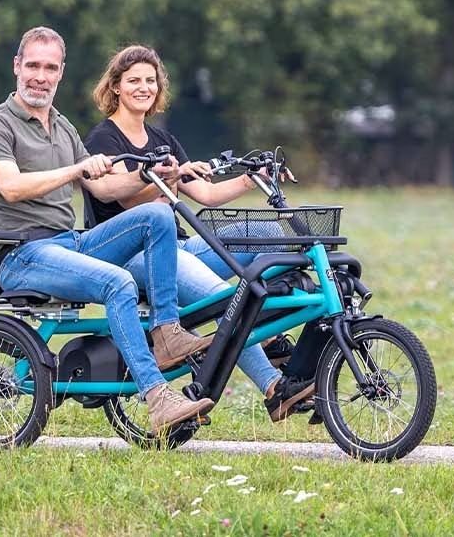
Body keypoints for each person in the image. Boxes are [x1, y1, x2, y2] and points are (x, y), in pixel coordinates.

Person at [0, 26, 215, 434]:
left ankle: (167, 332)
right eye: (33, 66)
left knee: (156, 217)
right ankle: (157, 398)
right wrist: (75, 170)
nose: (40, 77)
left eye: (50, 68)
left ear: (61, 72)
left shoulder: (62, 126)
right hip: (22, 253)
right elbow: (11, 187)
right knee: (118, 282)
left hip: (70, 243)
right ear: (16, 66)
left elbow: (103, 188)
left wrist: (149, 175)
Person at [83, 45, 314, 421]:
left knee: (268, 233)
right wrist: (168, 177)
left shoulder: (161, 139)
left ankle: (268, 330)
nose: (144, 88)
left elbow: (205, 193)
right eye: (134, 81)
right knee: (225, 299)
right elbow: (128, 201)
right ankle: (273, 386)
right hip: (134, 257)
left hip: (178, 246)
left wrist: (251, 178)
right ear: (116, 87)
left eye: (150, 81)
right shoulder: (103, 140)